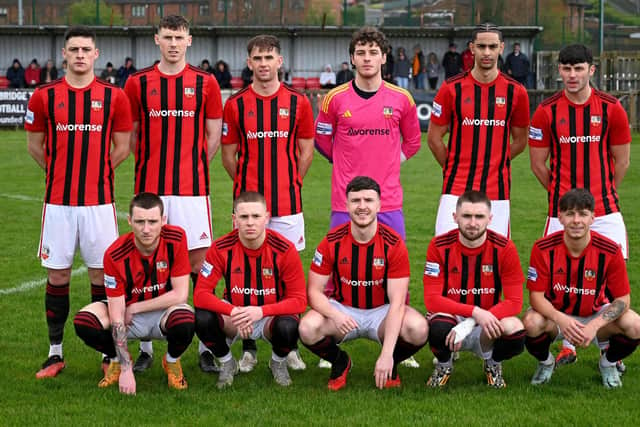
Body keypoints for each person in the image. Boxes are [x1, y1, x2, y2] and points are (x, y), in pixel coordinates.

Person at [25, 25, 132, 379]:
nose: (81, 55)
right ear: (65, 54)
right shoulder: (43, 96)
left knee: (102, 275)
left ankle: (106, 351)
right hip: (58, 203)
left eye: (87, 49)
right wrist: (59, 171)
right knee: (57, 275)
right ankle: (55, 353)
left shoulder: (114, 97)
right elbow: (35, 147)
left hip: (99, 203)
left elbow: (122, 146)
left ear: (96, 54)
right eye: (74, 49)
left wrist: (97, 171)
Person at [314, 28, 422, 369]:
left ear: (384, 57)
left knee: (395, 271)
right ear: (352, 58)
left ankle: (398, 341)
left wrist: (390, 165)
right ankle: (329, 338)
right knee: (335, 271)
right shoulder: (334, 99)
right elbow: (322, 141)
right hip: (342, 202)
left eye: (373, 52)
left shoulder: (401, 99)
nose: (366, 58)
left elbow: (413, 143)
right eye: (360, 52)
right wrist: (345, 166)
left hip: (388, 202)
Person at [124, 14, 223, 373]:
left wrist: (193, 164)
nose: (173, 43)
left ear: (189, 40)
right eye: (167, 37)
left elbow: (213, 135)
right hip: (151, 191)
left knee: (199, 268)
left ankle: (204, 347)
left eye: (179, 37)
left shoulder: (206, 83)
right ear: (156, 40)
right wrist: (152, 165)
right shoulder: (137, 83)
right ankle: (147, 347)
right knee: (147, 263)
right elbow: (131, 135)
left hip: (193, 191)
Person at [528, 43, 632, 369]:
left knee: (610, 284)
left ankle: (606, 350)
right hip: (561, 214)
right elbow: (538, 164)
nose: (572, 75)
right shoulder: (545, 111)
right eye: (566, 68)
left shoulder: (612, 108)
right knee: (559, 281)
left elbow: (622, 161)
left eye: (578, 68)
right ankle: (567, 344)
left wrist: (598, 197)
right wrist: (565, 202)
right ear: (559, 70)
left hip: (606, 211)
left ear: (592, 70)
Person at [221, 34, 314, 372]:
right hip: (248, 207)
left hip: (288, 203)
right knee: (244, 273)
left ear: (280, 61)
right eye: (257, 58)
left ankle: (287, 346)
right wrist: (249, 190)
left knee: (287, 275)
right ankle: (248, 346)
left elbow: (305, 152)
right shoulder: (235, 104)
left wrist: (290, 180)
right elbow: (228, 157)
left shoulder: (299, 102)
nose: (263, 64)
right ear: (249, 63)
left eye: (268, 57)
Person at [299, 176, 429, 390]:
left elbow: (397, 303)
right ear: (346, 205)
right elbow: (313, 291)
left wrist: (387, 354)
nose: (362, 206)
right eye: (356, 200)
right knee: (307, 328)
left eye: (368, 200)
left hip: (382, 313)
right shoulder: (331, 241)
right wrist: (335, 315)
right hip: (343, 311)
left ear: (379, 204)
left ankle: (392, 364)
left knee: (419, 328)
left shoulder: (394, 244)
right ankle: (340, 362)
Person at [73, 193, 195, 394]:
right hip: (126, 315)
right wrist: (127, 370)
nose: (146, 229)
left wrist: (136, 307)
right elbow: (116, 313)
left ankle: (172, 362)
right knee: (84, 322)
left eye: (153, 221)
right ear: (129, 221)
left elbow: (180, 295)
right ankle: (118, 362)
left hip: (161, 311)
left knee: (186, 319)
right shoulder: (115, 254)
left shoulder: (176, 238)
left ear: (163, 220)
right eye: (139, 222)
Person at [523, 188, 640, 389]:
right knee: (530, 322)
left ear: (593, 218)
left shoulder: (611, 250)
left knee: (635, 324)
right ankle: (546, 362)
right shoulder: (543, 248)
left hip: (595, 316)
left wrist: (594, 326)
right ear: (560, 217)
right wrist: (562, 319)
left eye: (583, 214)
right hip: (557, 316)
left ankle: (608, 363)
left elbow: (622, 299)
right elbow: (536, 297)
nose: (576, 220)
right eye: (570, 213)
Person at [193, 191, 307, 388]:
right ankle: (227, 362)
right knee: (202, 317)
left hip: (270, 317)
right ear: (234, 219)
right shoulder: (220, 248)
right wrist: (233, 311)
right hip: (235, 317)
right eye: (244, 217)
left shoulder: (285, 249)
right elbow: (200, 295)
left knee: (289, 326)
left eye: (256, 216)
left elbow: (299, 300)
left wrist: (261, 311)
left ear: (267, 218)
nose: (250, 222)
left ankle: (277, 363)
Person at [427, 23, 530, 237]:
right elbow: (434, 139)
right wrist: (452, 166)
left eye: (492, 47)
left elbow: (520, 140)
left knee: (494, 263)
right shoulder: (450, 89)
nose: (487, 52)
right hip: (455, 189)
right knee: (446, 256)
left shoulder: (516, 92)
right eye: (481, 46)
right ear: (472, 48)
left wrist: (496, 160)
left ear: (501, 48)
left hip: (497, 192)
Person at [423, 190, 525, 389]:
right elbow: (431, 299)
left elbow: (515, 302)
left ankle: (493, 364)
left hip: (488, 322)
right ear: (455, 217)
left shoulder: (505, 248)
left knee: (515, 329)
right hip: (453, 319)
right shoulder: (438, 246)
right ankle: (444, 365)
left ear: (490, 218)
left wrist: (473, 320)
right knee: (436, 324)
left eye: (479, 216)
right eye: (466, 216)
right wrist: (474, 312)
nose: (472, 223)